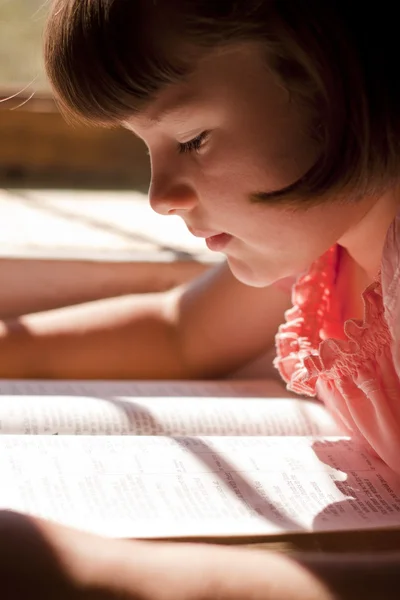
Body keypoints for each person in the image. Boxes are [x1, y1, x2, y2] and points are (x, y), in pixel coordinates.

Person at [1, 1, 400, 597]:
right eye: (148, 148)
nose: (160, 198)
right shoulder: (324, 249)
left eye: (192, 138)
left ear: (332, 82)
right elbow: (177, 332)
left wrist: (99, 575)